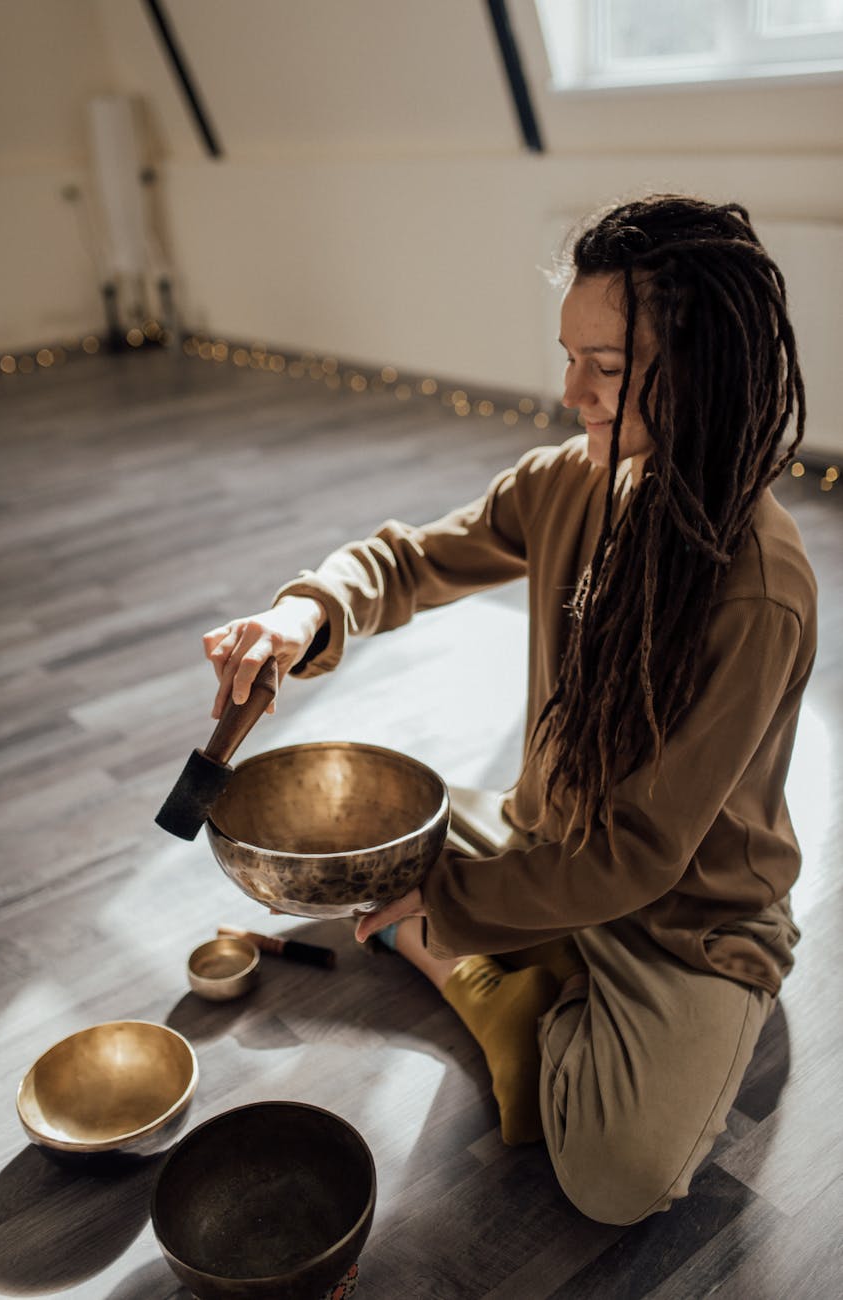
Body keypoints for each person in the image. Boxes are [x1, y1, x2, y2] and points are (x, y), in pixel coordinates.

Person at [202, 194, 817, 1225]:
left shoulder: (754, 585)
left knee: (616, 1180)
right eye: (567, 353)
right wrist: (305, 611)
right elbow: (411, 558)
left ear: (700, 369)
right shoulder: (568, 482)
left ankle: (492, 982)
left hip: (683, 917)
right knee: (359, 851)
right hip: (546, 831)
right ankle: (501, 959)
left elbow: (635, 859)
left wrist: (450, 910)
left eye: (606, 368)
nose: (569, 388)